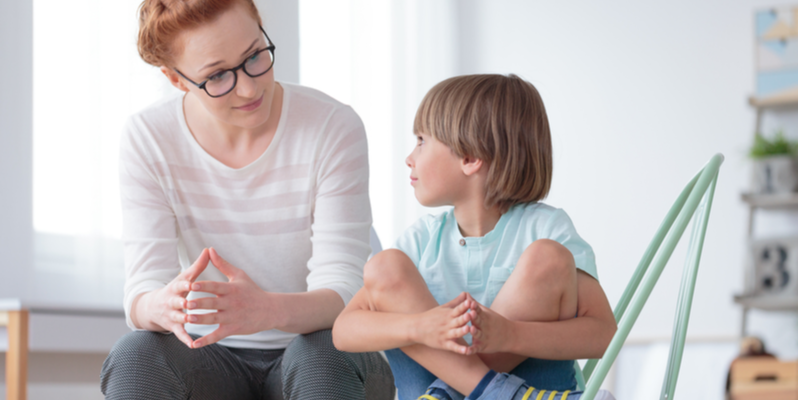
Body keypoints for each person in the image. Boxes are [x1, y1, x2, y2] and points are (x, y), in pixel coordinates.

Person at [99, 0, 394, 399]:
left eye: (255, 55)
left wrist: (267, 310)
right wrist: (161, 305)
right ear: (176, 79)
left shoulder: (331, 126)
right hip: (209, 358)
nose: (250, 87)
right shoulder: (148, 137)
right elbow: (141, 291)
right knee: (136, 353)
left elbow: (344, 293)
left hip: (317, 351)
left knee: (323, 352)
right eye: (218, 75)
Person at [332, 74, 618, 400]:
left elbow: (602, 334)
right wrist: (422, 326)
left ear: (469, 158)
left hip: (536, 389)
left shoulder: (546, 229)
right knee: (384, 267)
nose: (410, 157)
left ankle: (461, 393)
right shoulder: (421, 241)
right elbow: (344, 331)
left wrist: (510, 334)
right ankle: (501, 394)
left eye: (422, 141)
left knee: (548, 257)